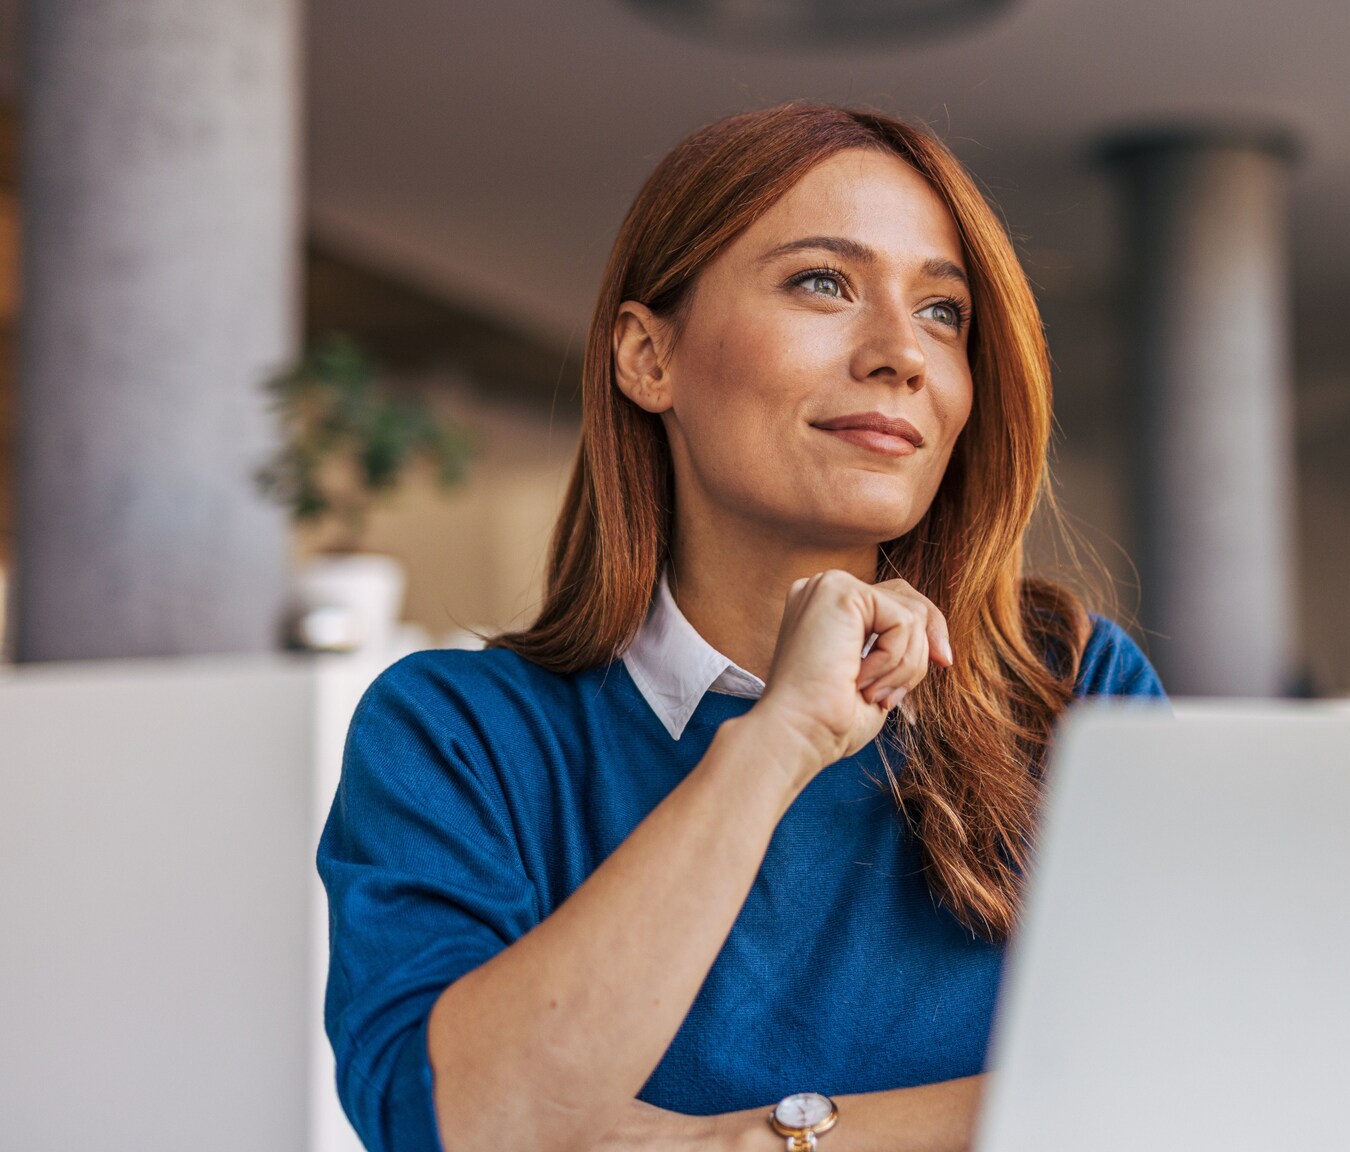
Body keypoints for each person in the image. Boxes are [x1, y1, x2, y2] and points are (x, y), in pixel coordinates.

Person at [317, 105, 1165, 1152]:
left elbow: (1175, 1082)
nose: (902, 353)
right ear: (646, 357)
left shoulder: (1067, 689)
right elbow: (464, 1128)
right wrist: (775, 744)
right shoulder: (460, 734)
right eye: (823, 282)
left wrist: (742, 1145)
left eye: (944, 312)